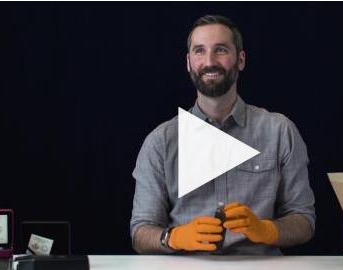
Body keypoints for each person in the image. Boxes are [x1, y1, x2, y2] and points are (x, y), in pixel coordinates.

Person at [130, 14, 315, 255]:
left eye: (220, 50)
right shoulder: (160, 142)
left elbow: (304, 221)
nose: (209, 61)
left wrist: (267, 230)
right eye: (199, 51)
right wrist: (173, 237)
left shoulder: (280, 131)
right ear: (188, 62)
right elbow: (140, 233)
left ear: (240, 59)